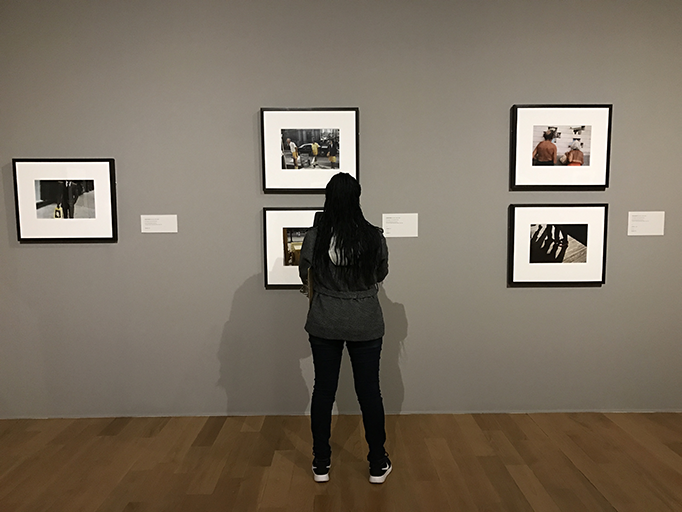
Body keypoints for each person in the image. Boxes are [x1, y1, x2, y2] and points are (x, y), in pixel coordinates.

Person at [299, 172, 391, 484]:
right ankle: (378, 463)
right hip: (365, 319)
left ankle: (321, 463)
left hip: (325, 318)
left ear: (328, 199)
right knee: (369, 391)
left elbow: (304, 272)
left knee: (323, 390)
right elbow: (381, 273)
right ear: (357, 199)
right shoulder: (373, 236)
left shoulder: (315, 237)